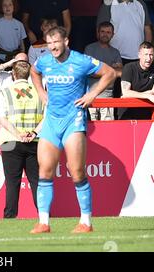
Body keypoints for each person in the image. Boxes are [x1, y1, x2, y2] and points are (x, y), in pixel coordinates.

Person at [29, 26, 115, 233]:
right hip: (51, 122)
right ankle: (44, 223)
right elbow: (34, 71)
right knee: (44, 170)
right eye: (49, 44)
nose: (52, 47)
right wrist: (41, 92)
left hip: (73, 121)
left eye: (55, 42)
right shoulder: (45, 61)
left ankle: (86, 222)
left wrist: (92, 94)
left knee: (76, 172)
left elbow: (110, 73)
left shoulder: (81, 60)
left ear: (66, 41)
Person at [0, 60, 44, 218]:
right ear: (28, 74)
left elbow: (1, 118)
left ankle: (10, 216)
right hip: (34, 142)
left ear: (13, 75)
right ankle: (43, 216)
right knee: (36, 182)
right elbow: (47, 117)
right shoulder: (39, 92)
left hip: (10, 142)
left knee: (12, 182)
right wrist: (34, 133)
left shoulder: (5, 91)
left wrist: (17, 134)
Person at [84, 21, 122, 121]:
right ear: (98, 33)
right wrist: (110, 71)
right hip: (90, 95)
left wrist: (100, 70)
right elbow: (88, 71)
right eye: (102, 31)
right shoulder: (90, 49)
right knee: (91, 130)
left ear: (113, 35)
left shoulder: (115, 52)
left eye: (108, 32)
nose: (105, 34)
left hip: (108, 96)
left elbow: (120, 73)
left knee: (108, 131)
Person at [97, 0, 152, 65]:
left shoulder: (141, 3)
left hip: (139, 56)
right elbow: (100, 31)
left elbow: (147, 29)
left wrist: (147, 52)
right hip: (116, 57)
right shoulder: (108, 4)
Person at [120, 42, 154, 120]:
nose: (149, 58)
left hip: (146, 110)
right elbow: (125, 92)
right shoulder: (129, 67)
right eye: (146, 54)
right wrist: (148, 96)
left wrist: (131, 95)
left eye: (151, 55)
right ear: (139, 55)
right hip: (128, 111)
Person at [0, 0, 26, 64]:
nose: (7, 7)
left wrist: (21, 59)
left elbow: (22, 45)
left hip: (15, 58)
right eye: (4, 5)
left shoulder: (19, 24)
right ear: (1, 7)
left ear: (14, 7)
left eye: (10, 5)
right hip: (0, 58)